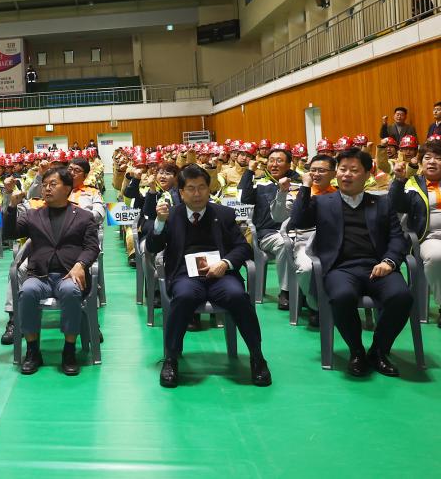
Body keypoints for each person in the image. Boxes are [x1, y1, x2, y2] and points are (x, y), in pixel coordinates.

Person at [289, 148, 412, 377]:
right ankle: (356, 350)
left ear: (367, 174)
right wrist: (305, 187)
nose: (346, 175)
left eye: (354, 170)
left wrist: (389, 261)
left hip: (378, 267)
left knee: (402, 296)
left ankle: (378, 350)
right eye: (343, 169)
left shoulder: (382, 203)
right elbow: (298, 220)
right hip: (340, 269)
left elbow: (397, 237)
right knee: (342, 296)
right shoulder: (323, 202)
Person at [145, 164, 270, 388]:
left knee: (238, 297)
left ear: (208, 189)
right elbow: (154, 246)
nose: (197, 194)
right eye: (191, 189)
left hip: (221, 275)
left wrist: (225, 262)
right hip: (185, 276)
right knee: (182, 298)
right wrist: (160, 222)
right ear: (181, 192)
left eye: (202, 188)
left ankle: (257, 357)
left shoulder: (223, 214)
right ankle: (171, 359)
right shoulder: (171, 215)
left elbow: (243, 248)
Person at [3, 169, 101, 376]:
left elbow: (92, 247)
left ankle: (68, 351)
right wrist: (12, 206)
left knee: (71, 292)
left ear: (67, 188)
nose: (47, 188)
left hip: (69, 274)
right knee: (27, 292)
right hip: (40, 276)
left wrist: (81, 264)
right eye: (45, 184)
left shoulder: (84, 217)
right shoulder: (32, 215)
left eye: (53, 184)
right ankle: (32, 351)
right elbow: (10, 233)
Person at [388, 138, 441, 327]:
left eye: (438, 158)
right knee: (437, 256)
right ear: (421, 162)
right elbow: (395, 204)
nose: (432, 161)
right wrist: (399, 179)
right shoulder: (414, 184)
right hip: (429, 237)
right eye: (428, 157)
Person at [238, 147, 297, 309]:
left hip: (296, 232)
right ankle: (286, 292)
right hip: (269, 234)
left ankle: (307, 294)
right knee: (283, 243)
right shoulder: (260, 184)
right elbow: (244, 198)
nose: (274, 164)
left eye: (279, 160)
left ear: (289, 165)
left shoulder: (296, 183)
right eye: (271, 160)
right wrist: (250, 171)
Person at [289, 154, 338, 327]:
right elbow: (296, 220)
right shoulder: (302, 192)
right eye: (313, 170)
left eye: (322, 170)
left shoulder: (339, 194)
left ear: (334, 173)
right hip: (305, 241)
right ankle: (315, 306)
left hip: (333, 241)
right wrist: (305, 187)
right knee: (306, 268)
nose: (316, 174)